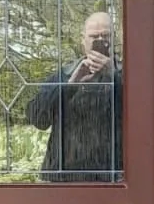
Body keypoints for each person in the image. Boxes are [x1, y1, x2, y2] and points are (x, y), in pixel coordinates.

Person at [26, 11, 122, 182]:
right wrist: (70, 85)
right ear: (83, 40)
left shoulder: (130, 76)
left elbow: (144, 116)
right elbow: (38, 119)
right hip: (64, 178)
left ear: (115, 39)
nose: (100, 41)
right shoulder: (64, 75)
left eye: (106, 35)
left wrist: (114, 76)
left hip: (114, 178)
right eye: (94, 36)